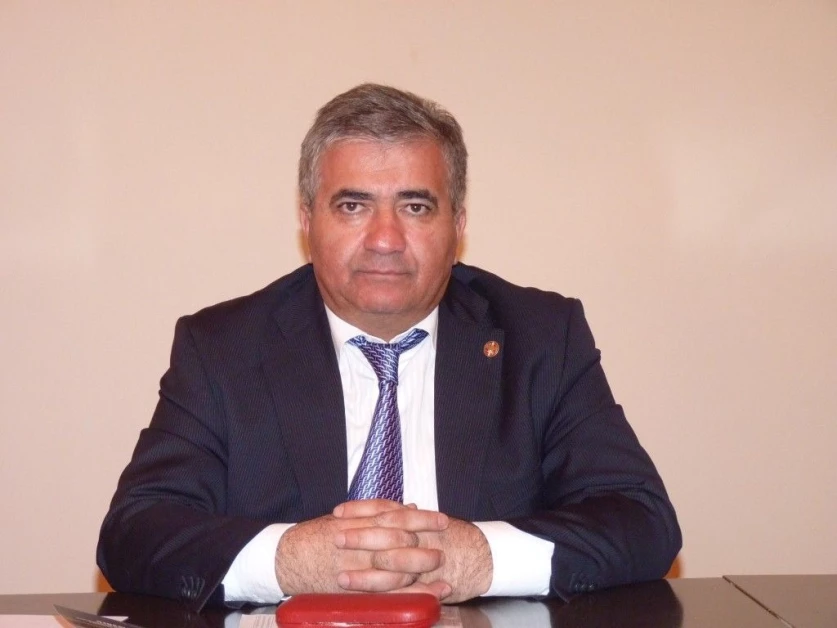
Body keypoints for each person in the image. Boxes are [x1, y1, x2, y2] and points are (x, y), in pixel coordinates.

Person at [97, 83, 681, 611]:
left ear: (458, 224)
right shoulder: (223, 348)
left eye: (415, 206)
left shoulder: (542, 337)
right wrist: (291, 560)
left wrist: (479, 557)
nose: (384, 239)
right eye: (353, 206)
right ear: (307, 220)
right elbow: (134, 534)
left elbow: (642, 521)